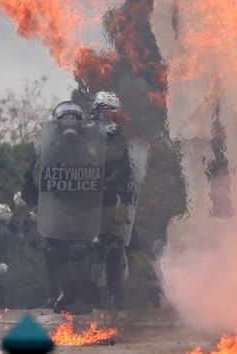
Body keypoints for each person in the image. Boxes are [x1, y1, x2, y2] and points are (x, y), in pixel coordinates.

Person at [21, 100, 96, 314]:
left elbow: (99, 176)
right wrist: (35, 204)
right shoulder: (45, 147)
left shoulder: (90, 146)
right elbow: (30, 179)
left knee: (80, 250)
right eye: (65, 119)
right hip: (54, 208)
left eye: (74, 119)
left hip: (81, 208)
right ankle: (66, 293)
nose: (69, 123)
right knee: (56, 252)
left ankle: (83, 297)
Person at [90, 91, 134, 309]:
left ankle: (116, 295)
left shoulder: (117, 137)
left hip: (107, 199)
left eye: (112, 111)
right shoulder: (83, 134)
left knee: (112, 245)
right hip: (82, 200)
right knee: (80, 249)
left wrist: (112, 183)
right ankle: (82, 294)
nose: (109, 115)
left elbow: (120, 164)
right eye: (106, 110)